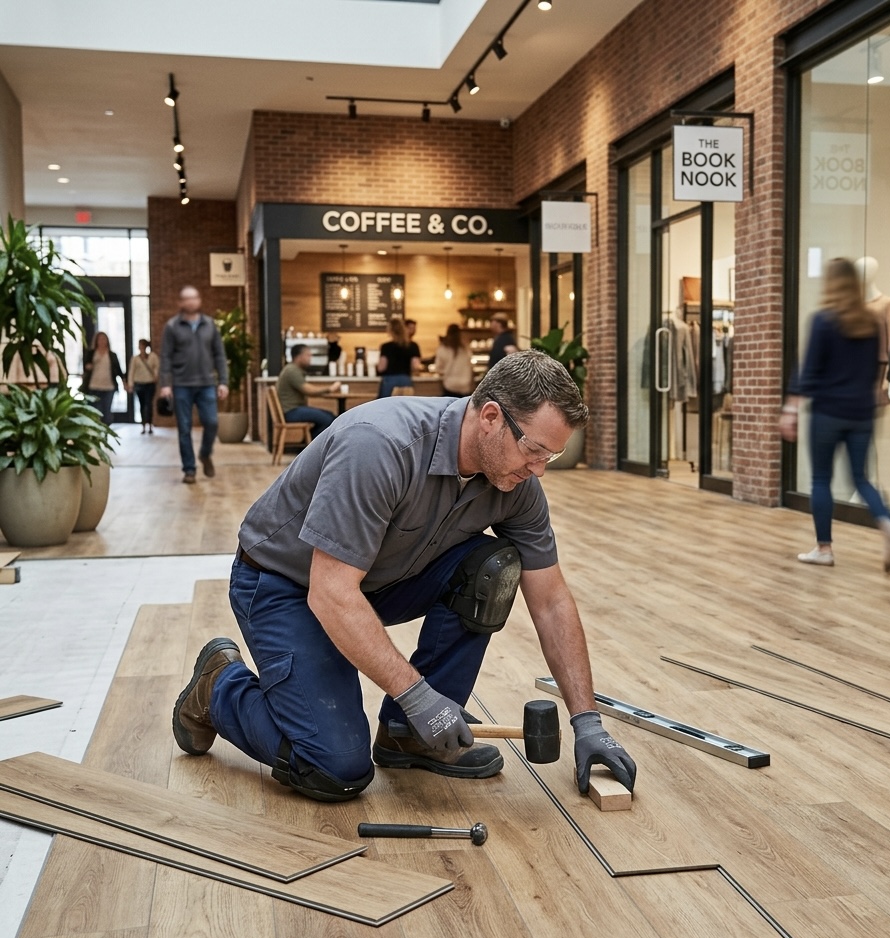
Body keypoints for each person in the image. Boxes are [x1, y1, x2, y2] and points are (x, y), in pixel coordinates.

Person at [171, 350, 637, 804]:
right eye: (533, 450)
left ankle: (408, 737)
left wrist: (587, 722)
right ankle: (219, 687)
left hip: (376, 582)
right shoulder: (379, 446)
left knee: (493, 568)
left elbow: (551, 600)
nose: (538, 471)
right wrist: (417, 695)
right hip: (286, 585)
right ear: (491, 417)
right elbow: (331, 593)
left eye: (550, 456)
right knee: (334, 769)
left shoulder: (517, 484)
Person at [780, 257, 890, 572]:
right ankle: (887, 524)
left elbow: (808, 370)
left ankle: (824, 548)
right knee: (861, 478)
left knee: (821, 478)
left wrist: (791, 408)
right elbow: (875, 368)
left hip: (827, 412)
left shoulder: (823, 321)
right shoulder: (870, 323)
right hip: (861, 413)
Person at [158, 286, 228, 485]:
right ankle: (189, 469)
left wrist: (223, 382)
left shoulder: (210, 325)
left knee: (212, 422)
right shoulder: (172, 326)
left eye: (194, 298)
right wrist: (165, 384)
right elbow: (165, 357)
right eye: (186, 298)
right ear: (180, 302)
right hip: (181, 384)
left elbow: (219, 355)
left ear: (199, 300)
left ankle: (205, 454)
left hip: (207, 383)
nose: (191, 301)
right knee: (184, 428)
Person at [278, 343, 341, 438]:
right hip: (291, 411)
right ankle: (314, 444)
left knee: (330, 416)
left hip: (292, 410)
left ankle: (311, 441)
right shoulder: (292, 371)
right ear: (299, 357)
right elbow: (308, 390)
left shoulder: (292, 369)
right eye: (308, 355)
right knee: (329, 419)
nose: (310, 358)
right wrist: (330, 389)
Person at [82, 331, 124, 425]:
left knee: (106, 412)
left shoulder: (112, 355)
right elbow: (85, 366)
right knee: (95, 411)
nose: (102, 341)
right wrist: (89, 367)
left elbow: (118, 370)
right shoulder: (91, 353)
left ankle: (106, 429)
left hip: (108, 386)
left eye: (104, 339)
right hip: (94, 386)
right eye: (100, 339)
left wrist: (124, 382)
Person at [377, 315, 422, 398]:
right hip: (405, 380)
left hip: (389, 381)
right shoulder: (413, 346)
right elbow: (415, 366)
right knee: (405, 404)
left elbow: (381, 367)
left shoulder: (386, 347)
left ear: (390, 331)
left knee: (387, 405)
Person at [127, 339, 159, 434]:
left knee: (149, 404)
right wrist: (130, 384)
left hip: (150, 383)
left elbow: (157, 367)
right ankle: (143, 424)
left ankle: (150, 424)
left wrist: (156, 375)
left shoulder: (153, 357)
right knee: (142, 405)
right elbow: (131, 371)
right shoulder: (135, 359)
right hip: (139, 384)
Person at [434, 323, 474, 397]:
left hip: (450, 386)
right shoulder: (465, 349)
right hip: (465, 387)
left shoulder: (443, 349)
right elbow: (470, 366)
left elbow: (438, 368)